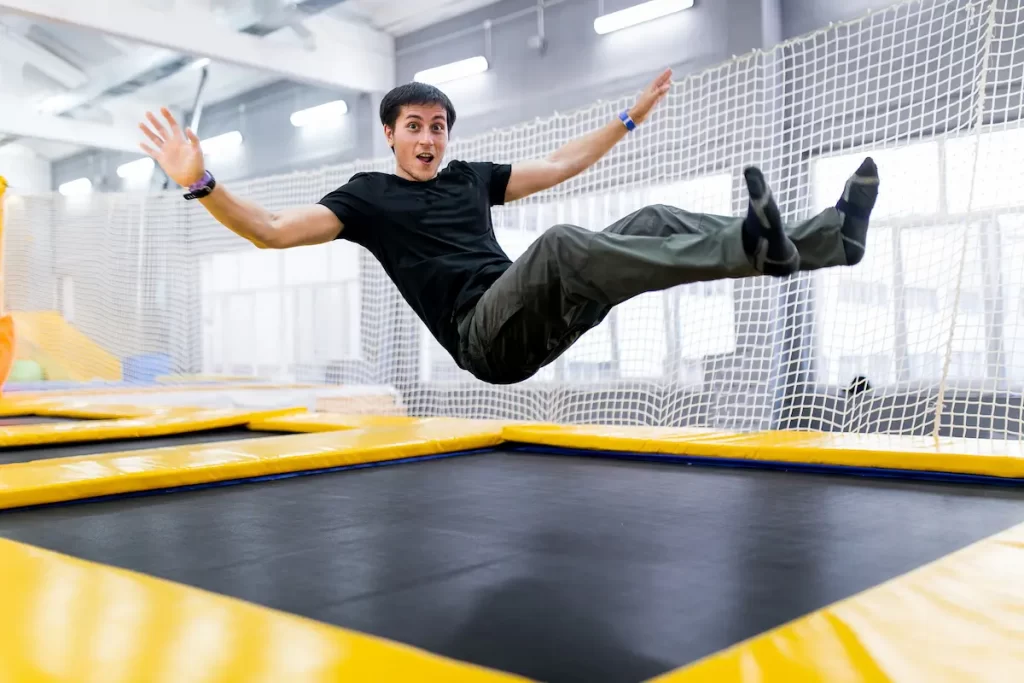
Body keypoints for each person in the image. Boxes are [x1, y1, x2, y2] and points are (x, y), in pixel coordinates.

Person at [138, 68, 879, 385]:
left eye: (438, 127)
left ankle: (829, 240)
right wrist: (201, 182)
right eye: (415, 127)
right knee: (559, 245)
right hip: (483, 339)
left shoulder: (469, 179)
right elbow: (268, 228)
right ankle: (752, 249)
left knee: (649, 218)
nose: (430, 139)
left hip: (539, 313)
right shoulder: (365, 199)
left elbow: (559, 165)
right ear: (391, 134)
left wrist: (627, 119)